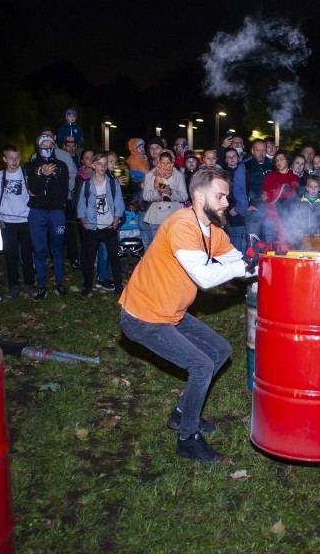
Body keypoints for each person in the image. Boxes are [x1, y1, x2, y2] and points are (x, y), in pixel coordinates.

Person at [119, 167, 257, 464]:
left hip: (172, 312)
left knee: (221, 351)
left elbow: (237, 260)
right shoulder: (182, 224)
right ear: (197, 195)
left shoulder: (213, 231)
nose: (226, 202)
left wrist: (263, 267)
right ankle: (188, 439)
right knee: (201, 366)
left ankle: (182, 414)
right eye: (220, 196)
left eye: (227, 196)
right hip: (143, 316)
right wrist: (243, 268)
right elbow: (207, 278)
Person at [24, 134, 70, 300]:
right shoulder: (30, 166)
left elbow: (63, 191)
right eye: (43, 145)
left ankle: (59, 284)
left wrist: (60, 204)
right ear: (38, 147)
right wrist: (42, 175)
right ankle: (42, 286)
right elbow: (33, 190)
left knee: (57, 250)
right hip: (37, 213)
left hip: (56, 212)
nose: (47, 148)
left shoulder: (61, 166)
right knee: (40, 250)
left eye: (50, 144)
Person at [76, 151, 125, 297]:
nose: (102, 167)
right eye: (99, 164)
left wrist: (116, 220)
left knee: (114, 257)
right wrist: (83, 221)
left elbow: (119, 203)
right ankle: (87, 286)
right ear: (93, 165)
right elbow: (81, 205)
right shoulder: (87, 185)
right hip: (92, 227)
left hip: (109, 227)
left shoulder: (112, 184)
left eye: (105, 164)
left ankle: (118, 285)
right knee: (89, 258)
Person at [0, 145, 35, 297]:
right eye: (11, 158)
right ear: (4, 159)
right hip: (7, 221)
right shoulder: (0, 176)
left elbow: (31, 195)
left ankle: (29, 283)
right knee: (10, 254)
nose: (14, 161)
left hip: (25, 219)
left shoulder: (25, 174)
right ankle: (14, 285)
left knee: (27, 254)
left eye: (16, 157)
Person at [142, 151, 187, 245]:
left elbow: (184, 196)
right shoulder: (150, 175)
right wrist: (158, 192)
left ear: (172, 163)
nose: (165, 166)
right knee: (158, 246)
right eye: (162, 163)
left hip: (173, 213)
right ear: (158, 162)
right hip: (157, 215)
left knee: (174, 246)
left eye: (168, 163)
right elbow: (146, 196)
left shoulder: (178, 175)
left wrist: (171, 192)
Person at [261, 149, 300, 245]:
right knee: (269, 246)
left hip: (287, 218)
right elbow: (264, 196)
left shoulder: (294, 177)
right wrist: (281, 189)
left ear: (287, 160)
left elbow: (291, 194)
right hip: (271, 217)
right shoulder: (270, 176)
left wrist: (273, 192)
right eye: (277, 160)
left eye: (281, 159)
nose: (278, 162)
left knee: (285, 247)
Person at [291, 176, 320, 248]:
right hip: (303, 235)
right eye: (311, 187)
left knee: (315, 256)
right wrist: (298, 231)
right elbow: (296, 218)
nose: (313, 189)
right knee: (303, 256)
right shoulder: (301, 202)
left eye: (316, 187)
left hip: (317, 236)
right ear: (307, 188)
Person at [223, 147, 247, 252]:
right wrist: (230, 208)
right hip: (232, 211)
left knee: (246, 239)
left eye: (234, 156)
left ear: (238, 157)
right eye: (229, 157)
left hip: (245, 208)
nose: (232, 159)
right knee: (236, 239)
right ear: (225, 160)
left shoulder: (245, 170)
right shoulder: (223, 174)